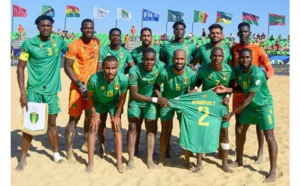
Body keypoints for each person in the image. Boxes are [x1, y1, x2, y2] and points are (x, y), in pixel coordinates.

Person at [212, 48, 278, 183]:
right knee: (240, 130)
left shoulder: (257, 74)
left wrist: (231, 113)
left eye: (247, 57)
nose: (244, 60)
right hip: (250, 107)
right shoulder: (237, 70)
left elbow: (248, 98)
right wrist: (227, 89)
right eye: (242, 58)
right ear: (238, 59)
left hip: (263, 107)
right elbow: (241, 88)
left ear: (251, 58)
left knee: (269, 136)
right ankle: (239, 160)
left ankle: (272, 171)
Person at [15, 15, 68, 171]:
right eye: (43, 25)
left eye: (48, 25)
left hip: (52, 92)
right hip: (34, 91)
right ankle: (23, 157)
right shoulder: (28, 44)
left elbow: (73, 50)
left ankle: (56, 153)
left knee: (52, 124)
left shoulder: (58, 42)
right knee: (30, 125)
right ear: (38, 27)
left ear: (52, 27)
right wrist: (23, 93)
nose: (46, 28)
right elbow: (20, 68)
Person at [231, 22, 274, 164]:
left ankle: (260, 151)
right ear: (237, 33)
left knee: (259, 124)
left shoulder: (258, 49)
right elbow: (232, 69)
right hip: (239, 91)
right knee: (239, 124)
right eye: (240, 32)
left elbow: (270, 69)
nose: (243, 34)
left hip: (254, 92)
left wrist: (261, 82)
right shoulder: (234, 49)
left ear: (250, 33)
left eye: (245, 32)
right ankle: (239, 153)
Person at [191, 47, 235, 173]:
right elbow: (199, 80)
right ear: (210, 57)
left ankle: (225, 164)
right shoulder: (204, 68)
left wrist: (227, 96)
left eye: (219, 56)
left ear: (223, 57)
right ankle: (199, 163)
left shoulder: (229, 70)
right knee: (202, 131)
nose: (216, 58)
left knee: (224, 133)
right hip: (207, 104)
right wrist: (195, 88)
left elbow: (231, 85)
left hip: (222, 104)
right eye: (214, 56)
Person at [64, 19, 100, 162]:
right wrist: (80, 84)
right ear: (81, 29)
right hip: (77, 89)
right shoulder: (74, 46)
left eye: (91, 28)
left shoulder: (96, 43)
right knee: (73, 119)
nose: (89, 30)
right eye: (86, 28)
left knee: (89, 117)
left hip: (92, 89)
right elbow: (67, 67)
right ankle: (69, 151)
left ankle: (86, 144)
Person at [85, 56, 129, 173]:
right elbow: (89, 97)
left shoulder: (123, 79)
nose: (110, 71)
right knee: (93, 128)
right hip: (98, 102)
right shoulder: (94, 79)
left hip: (113, 103)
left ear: (117, 68)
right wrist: (94, 114)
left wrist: (117, 115)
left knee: (117, 128)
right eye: (108, 68)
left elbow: (122, 99)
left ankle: (119, 161)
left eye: (113, 68)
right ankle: (90, 162)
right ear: (103, 67)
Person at [126, 48, 167, 170]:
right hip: (136, 102)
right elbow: (134, 94)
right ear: (142, 59)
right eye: (147, 59)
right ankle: (131, 159)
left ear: (156, 60)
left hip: (151, 104)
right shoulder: (134, 71)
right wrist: (156, 100)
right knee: (133, 128)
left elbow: (160, 84)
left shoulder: (159, 68)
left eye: (152, 59)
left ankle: (149, 159)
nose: (149, 62)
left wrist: (161, 97)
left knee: (151, 128)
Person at [155, 49, 197, 166]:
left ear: (186, 60)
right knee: (165, 130)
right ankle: (162, 158)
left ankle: (187, 161)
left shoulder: (191, 74)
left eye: (181, 59)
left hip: (183, 104)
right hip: (167, 103)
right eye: (177, 58)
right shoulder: (164, 72)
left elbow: (194, 87)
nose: (179, 61)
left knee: (185, 131)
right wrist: (160, 98)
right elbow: (156, 86)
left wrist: (194, 90)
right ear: (173, 59)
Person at [130, 27, 163, 156]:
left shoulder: (159, 51)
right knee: (135, 125)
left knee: (152, 124)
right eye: (143, 35)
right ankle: (135, 149)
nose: (146, 38)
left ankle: (152, 150)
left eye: (148, 35)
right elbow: (129, 68)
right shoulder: (135, 53)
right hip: (138, 92)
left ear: (152, 37)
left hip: (153, 92)